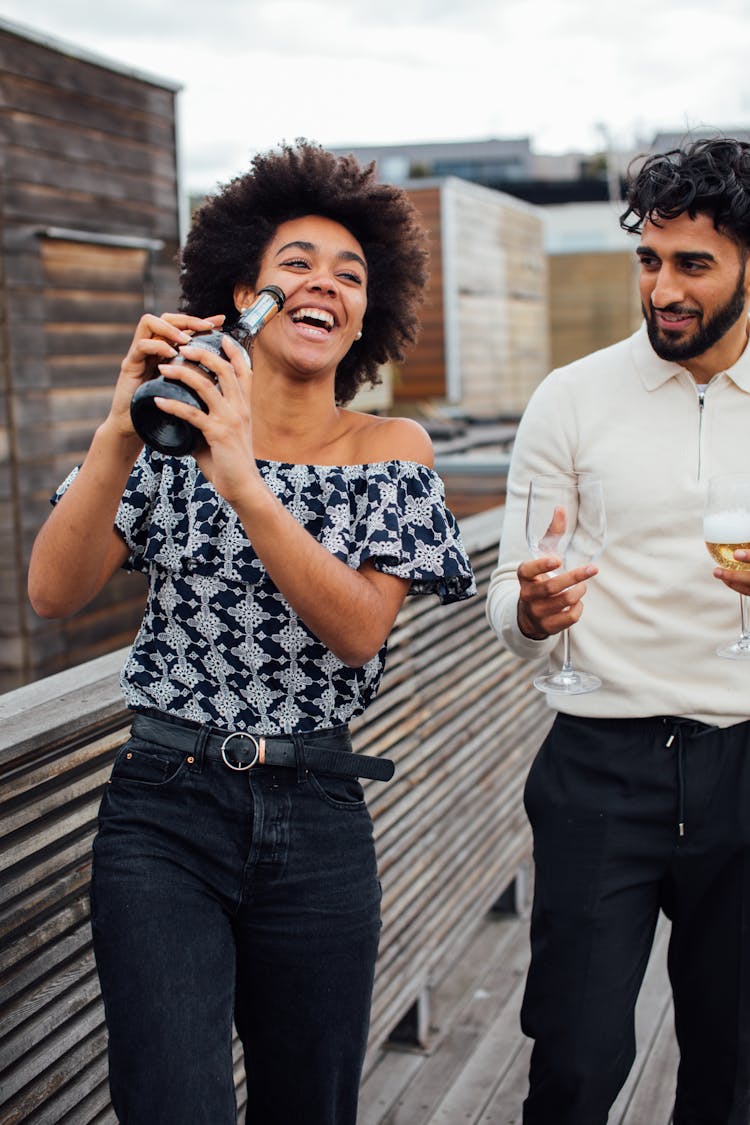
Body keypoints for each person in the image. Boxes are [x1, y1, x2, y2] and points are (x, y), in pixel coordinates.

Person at [28, 140, 475, 1125]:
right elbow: (53, 590)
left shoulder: (387, 450)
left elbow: (358, 629)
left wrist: (242, 477)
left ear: (368, 311)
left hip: (317, 812)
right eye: (298, 267)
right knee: (172, 1101)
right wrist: (116, 432)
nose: (326, 284)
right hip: (163, 812)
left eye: (351, 275)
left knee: (306, 1105)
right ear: (245, 295)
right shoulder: (168, 434)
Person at [485, 136, 750, 1125]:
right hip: (601, 766)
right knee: (576, 1060)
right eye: (650, 259)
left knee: (731, 1069)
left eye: (694, 263)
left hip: (745, 757)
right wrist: (529, 609)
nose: (664, 288)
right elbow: (511, 591)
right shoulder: (572, 399)